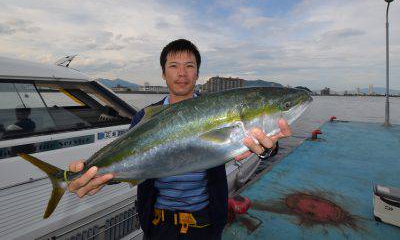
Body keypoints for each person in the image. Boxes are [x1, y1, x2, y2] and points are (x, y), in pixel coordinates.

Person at [68, 39, 292, 239]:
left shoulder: (218, 109)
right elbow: (131, 161)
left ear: (196, 74)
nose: (182, 73)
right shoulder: (144, 116)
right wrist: (97, 175)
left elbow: (260, 143)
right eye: (173, 66)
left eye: (189, 66)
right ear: (164, 73)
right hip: (157, 224)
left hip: (205, 222)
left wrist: (267, 149)